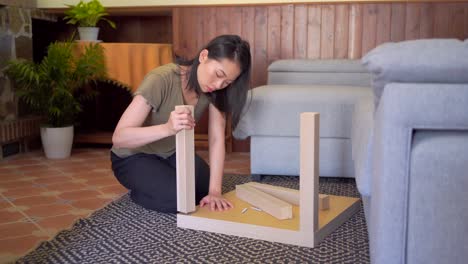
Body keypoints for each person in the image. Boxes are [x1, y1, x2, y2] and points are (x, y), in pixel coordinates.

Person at [110, 35, 251, 213]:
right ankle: (139, 192)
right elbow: (119, 138)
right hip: (133, 156)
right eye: (218, 74)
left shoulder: (216, 92)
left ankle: (163, 183)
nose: (218, 85)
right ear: (203, 56)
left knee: (202, 191)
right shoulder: (161, 78)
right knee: (180, 199)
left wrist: (215, 191)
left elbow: (216, 139)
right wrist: (167, 128)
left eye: (227, 82)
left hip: (173, 153)